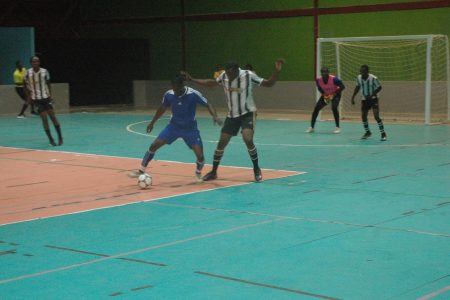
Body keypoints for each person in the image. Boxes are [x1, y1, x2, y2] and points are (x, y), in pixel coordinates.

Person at [182, 59, 284, 182]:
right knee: (221, 144)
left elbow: (268, 83)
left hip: (247, 113)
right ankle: (214, 172)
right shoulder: (224, 76)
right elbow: (211, 83)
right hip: (232, 115)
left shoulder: (248, 75)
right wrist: (192, 79)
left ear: (236, 70)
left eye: (231, 74)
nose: (229, 77)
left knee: (248, 139)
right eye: (227, 74)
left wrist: (276, 72)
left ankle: (256, 169)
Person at [128, 75, 222, 181]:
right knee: (153, 146)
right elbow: (162, 108)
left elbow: (208, 104)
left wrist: (215, 116)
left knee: (200, 157)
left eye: (178, 89)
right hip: (173, 127)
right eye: (174, 88)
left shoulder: (193, 94)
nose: (176, 91)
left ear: (182, 85)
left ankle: (198, 173)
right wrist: (152, 122)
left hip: (190, 129)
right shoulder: (169, 94)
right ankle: (141, 170)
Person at [24, 56, 63, 146]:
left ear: (39, 62)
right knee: (44, 119)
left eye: (37, 61)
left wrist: (50, 96)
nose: (35, 63)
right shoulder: (27, 73)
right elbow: (24, 85)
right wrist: (28, 97)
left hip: (46, 98)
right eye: (33, 61)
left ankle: (60, 137)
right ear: (31, 63)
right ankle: (51, 139)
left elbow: (48, 84)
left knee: (53, 117)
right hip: (36, 99)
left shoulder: (45, 71)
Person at [351, 65, 387, 141]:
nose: (362, 73)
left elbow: (379, 87)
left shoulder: (373, 78)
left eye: (364, 72)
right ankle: (368, 132)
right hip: (364, 99)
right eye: (361, 71)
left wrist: (372, 95)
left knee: (376, 116)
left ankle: (383, 133)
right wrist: (353, 97)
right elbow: (357, 87)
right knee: (363, 116)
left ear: (367, 72)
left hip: (373, 99)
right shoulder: (359, 78)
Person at [306, 66, 345, 134]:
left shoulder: (334, 79)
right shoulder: (318, 80)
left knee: (334, 107)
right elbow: (319, 88)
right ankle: (311, 127)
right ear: (321, 73)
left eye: (325, 72)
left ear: (328, 72)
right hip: (326, 95)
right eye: (322, 72)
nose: (324, 73)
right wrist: (324, 94)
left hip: (336, 95)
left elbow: (343, 87)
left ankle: (337, 127)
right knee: (316, 108)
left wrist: (334, 94)